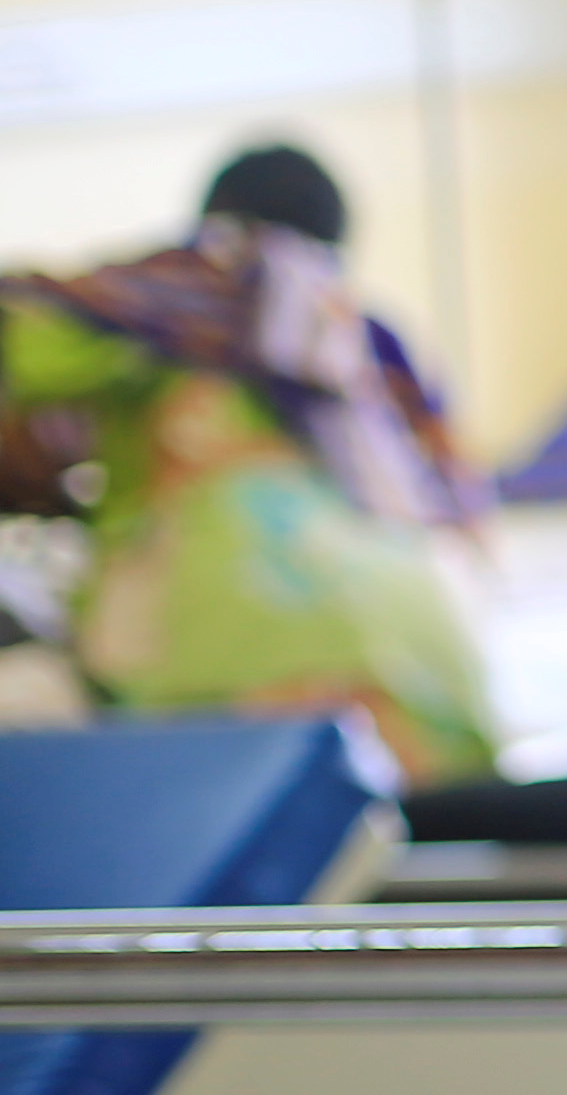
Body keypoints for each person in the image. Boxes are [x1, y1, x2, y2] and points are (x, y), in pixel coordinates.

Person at [0, 140, 498, 778]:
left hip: (224, 695)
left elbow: (19, 339)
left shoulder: (162, 312)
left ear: (211, 224)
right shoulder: (368, 348)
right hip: (437, 702)